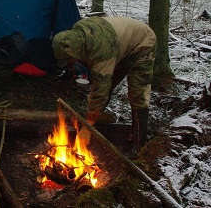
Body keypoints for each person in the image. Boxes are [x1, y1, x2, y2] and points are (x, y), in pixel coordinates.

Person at [52, 16, 156, 150]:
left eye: (70, 59)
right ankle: (94, 120)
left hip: (142, 43)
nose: (70, 63)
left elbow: (101, 88)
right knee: (106, 84)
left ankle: (139, 143)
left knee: (138, 94)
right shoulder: (78, 35)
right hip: (117, 45)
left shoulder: (101, 52)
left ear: (75, 51)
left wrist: (87, 127)